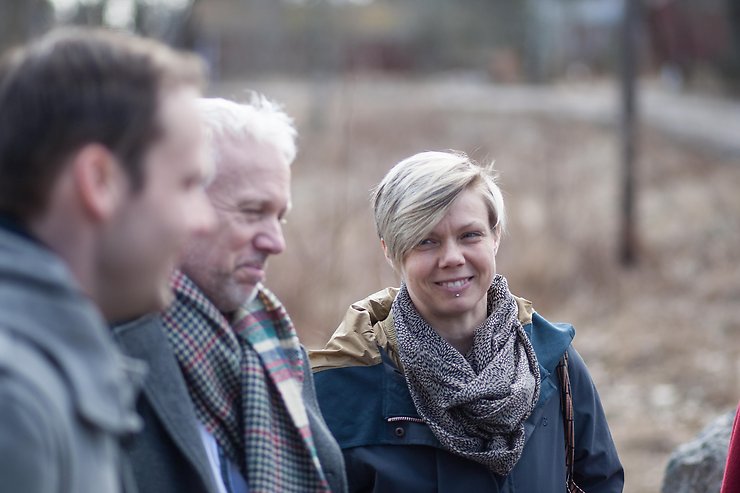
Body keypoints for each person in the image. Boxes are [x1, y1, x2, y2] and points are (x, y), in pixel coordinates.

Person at [310, 150, 625, 492]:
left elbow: (599, 481)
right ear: (390, 250)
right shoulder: (343, 386)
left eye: (469, 235)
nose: (452, 258)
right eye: (426, 241)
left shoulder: (550, 359)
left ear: (496, 236)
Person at [0, 28, 214, 492]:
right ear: (99, 181)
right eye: (187, 184)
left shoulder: (49, 373)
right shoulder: (14, 403)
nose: (204, 220)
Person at [113, 95, 348, 493]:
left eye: (280, 216)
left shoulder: (275, 345)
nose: (276, 242)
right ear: (173, 204)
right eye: (252, 212)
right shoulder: (102, 348)